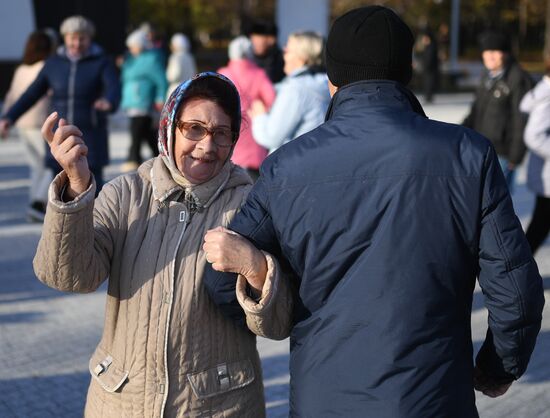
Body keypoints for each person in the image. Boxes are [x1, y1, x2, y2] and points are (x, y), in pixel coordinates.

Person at [204, 6, 544, 417]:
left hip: (324, 400)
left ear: (332, 81)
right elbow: (517, 295)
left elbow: (222, 282)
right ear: (408, 72)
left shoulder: (287, 166)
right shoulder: (469, 156)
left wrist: (284, 300)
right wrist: (497, 368)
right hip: (435, 399)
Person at [33, 72, 293, 417]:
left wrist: (255, 267)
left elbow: (279, 323)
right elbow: (69, 277)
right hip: (122, 403)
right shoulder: (126, 194)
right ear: (170, 126)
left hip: (219, 407)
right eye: (194, 129)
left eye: (221, 133)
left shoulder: (252, 206)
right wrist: (77, 189)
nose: (206, 146)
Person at [0, 15, 120, 194]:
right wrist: (9, 117)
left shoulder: (101, 63)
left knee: (94, 189)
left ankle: (96, 221)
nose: (77, 43)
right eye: (73, 38)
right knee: (61, 190)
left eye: (82, 38)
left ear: (89, 38)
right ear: (65, 38)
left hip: (91, 135)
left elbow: (114, 87)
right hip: (61, 135)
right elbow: (32, 94)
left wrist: (108, 102)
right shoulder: (54, 64)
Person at [463, 30, 534, 191]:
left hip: (503, 153)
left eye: (495, 51)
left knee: (496, 201)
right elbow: (475, 112)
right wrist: (458, 132)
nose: (490, 56)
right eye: (486, 52)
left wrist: (515, 155)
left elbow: (521, 119)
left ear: (506, 54)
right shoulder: (486, 77)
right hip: (480, 148)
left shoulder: (517, 78)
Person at [249, 31, 330, 153]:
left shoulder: (295, 89)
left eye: (287, 50)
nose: (284, 54)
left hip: (293, 166)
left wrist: (259, 116)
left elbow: (271, 137)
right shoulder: (328, 84)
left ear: (302, 57)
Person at [2, 31, 53, 221]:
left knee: (36, 166)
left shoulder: (21, 69)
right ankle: (39, 203)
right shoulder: (46, 66)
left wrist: (7, 118)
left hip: (22, 122)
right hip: (41, 122)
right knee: (50, 165)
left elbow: (11, 96)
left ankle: (35, 202)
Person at [218, 36, 275, 180]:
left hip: (229, 136)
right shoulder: (259, 74)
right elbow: (271, 99)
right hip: (254, 138)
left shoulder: (223, 74)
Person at [120, 29, 167, 172]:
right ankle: (160, 156)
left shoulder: (151, 60)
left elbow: (161, 81)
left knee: (137, 131)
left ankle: (133, 158)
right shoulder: (131, 60)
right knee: (146, 132)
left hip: (143, 101)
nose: (131, 49)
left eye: (133, 46)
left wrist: (160, 97)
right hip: (133, 101)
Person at [519, 57, 550, 255]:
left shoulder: (542, 90)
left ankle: (519, 267)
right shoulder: (547, 96)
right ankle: (518, 269)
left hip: (545, 175)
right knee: (540, 224)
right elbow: (533, 136)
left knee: (540, 223)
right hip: (547, 175)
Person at [247, 19, 285, 84]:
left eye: (260, 38)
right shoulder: (247, 57)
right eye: (254, 38)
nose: (257, 42)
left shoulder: (280, 59)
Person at [166, 33, 197, 97]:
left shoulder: (176, 57)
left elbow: (173, 76)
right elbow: (194, 73)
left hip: (176, 88)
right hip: (188, 88)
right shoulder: (189, 56)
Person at [414, 26, 439, 103]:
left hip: (430, 68)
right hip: (427, 68)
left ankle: (428, 97)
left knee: (429, 83)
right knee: (427, 83)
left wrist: (426, 65)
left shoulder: (431, 46)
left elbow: (430, 58)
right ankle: (427, 97)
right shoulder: (428, 47)